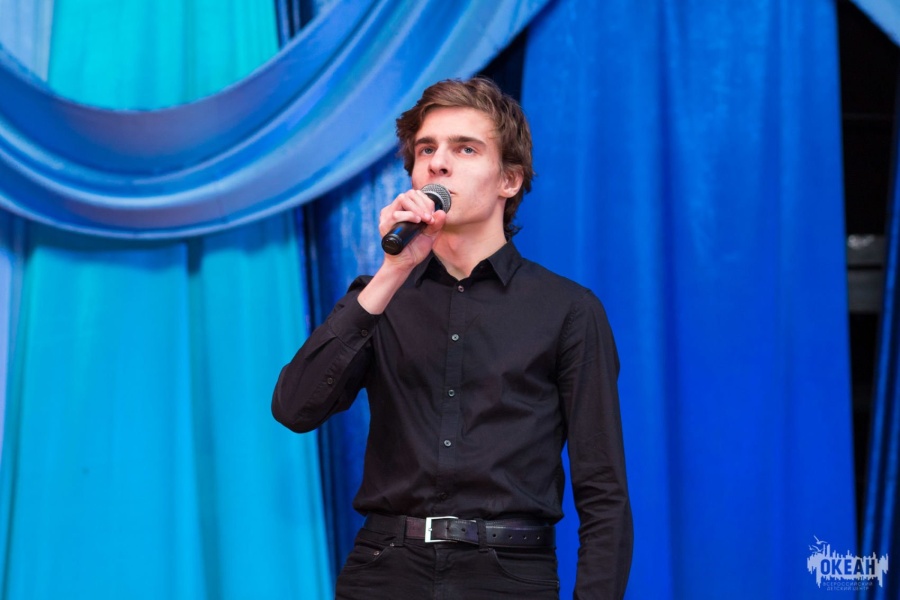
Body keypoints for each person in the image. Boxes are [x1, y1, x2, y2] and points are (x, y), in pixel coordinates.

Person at [272, 76, 632, 599]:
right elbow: (294, 408)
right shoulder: (379, 296)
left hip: (509, 575)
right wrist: (392, 272)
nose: (439, 163)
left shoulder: (568, 311)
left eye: (465, 149)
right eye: (427, 150)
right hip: (384, 570)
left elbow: (604, 494)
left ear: (509, 180)